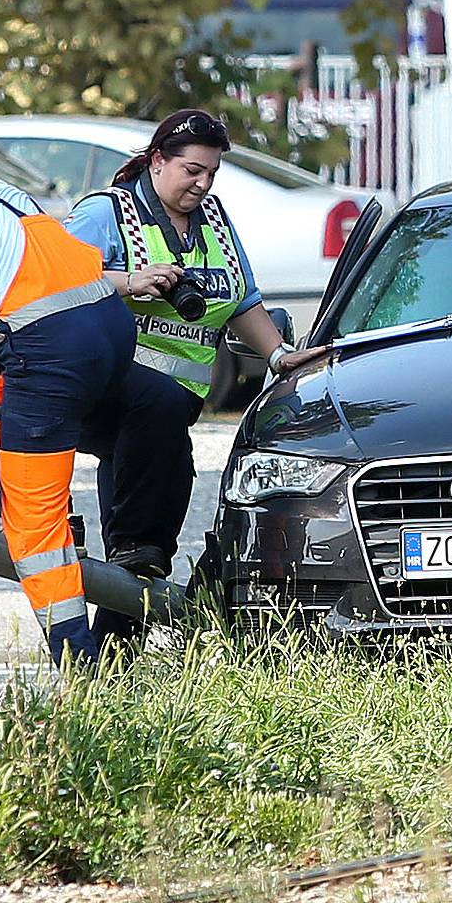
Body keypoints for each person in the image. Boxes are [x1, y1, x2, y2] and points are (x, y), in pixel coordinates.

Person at [0, 156, 174, 668]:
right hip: (104, 324)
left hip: (53, 348)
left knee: (37, 534)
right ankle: (31, 508)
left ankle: (87, 677)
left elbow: (22, 322)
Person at [66, 109, 295, 590]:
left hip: (172, 406)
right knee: (155, 421)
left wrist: (279, 356)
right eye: (193, 170)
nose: (203, 184)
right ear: (156, 162)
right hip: (104, 385)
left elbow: (242, 300)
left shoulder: (214, 221)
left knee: (171, 485)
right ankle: (133, 546)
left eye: (211, 173)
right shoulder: (106, 213)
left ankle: (123, 620)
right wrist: (130, 282)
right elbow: (53, 279)